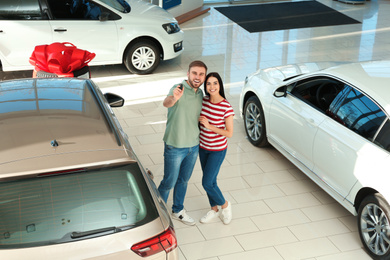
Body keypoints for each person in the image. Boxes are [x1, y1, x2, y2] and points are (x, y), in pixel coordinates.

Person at [158, 60, 207, 225]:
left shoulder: (200, 94)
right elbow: (167, 103)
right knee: (168, 182)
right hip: (175, 145)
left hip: (193, 146)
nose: (197, 77)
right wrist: (174, 98)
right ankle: (158, 213)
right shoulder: (177, 89)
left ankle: (177, 209)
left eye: (201, 74)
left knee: (183, 180)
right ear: (188, 74)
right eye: (194, 73)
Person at [198, 72, 234, 225]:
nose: (212, 87)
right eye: (208, 83)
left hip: (217, 150)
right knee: (211, 181)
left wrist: (209, 126)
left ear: (220, 85)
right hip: (203, 147)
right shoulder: (204, 100)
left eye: (215, 83)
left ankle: (225, 205)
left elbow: (229, 133)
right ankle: (214, 209)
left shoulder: (226, 107)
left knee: (207, 182)